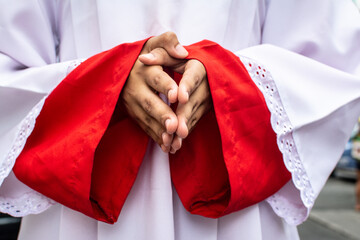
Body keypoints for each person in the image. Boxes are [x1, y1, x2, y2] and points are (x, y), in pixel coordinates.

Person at [1, 1, 360, 239]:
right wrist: (107, 82)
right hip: (79, 210)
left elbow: (330, 61)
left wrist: (226, 82)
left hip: (237, 210)